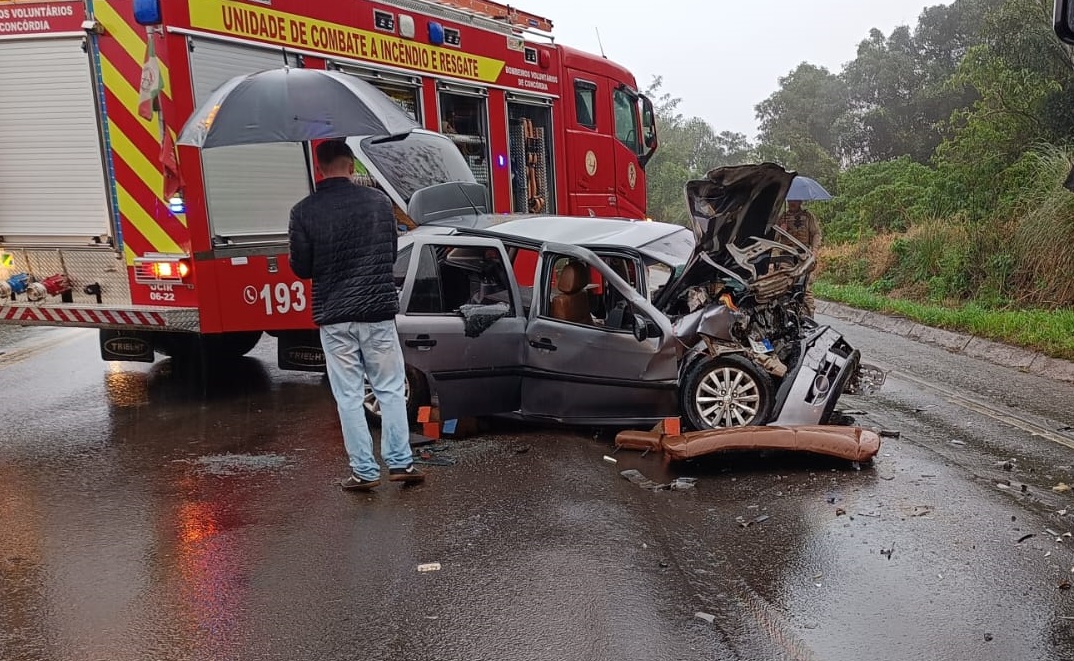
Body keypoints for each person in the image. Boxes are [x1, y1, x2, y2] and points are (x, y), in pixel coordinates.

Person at [288, 139, 424, 491]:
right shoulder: (379, 204)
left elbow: (301, 268)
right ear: (351, 166)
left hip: (334, 315)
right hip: (376, 311)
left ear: (319, 168)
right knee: (390, 390)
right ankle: (401, 463)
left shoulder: (303, 212)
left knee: (348, 395)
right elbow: (391, 253)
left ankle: (363, 471)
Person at [775, 199, 823, 316]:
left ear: (800, 201)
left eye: (795, 200)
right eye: (790, 200)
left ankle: (808, 316)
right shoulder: (783, 217)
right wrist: (781, 230)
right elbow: (774, 237)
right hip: (786, 257)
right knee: (783, 287)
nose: (792, 203)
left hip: (803, 257)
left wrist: (814, 251)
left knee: (805, 288)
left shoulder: (808, 217)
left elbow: (816, 234)